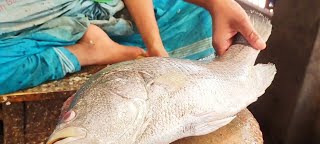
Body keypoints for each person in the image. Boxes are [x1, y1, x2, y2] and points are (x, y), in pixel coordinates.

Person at [0, 0, 266, 95]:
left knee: (204, 21)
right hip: (39, 32)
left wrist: (216, 3)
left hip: (124, 17)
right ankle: (87, 50)